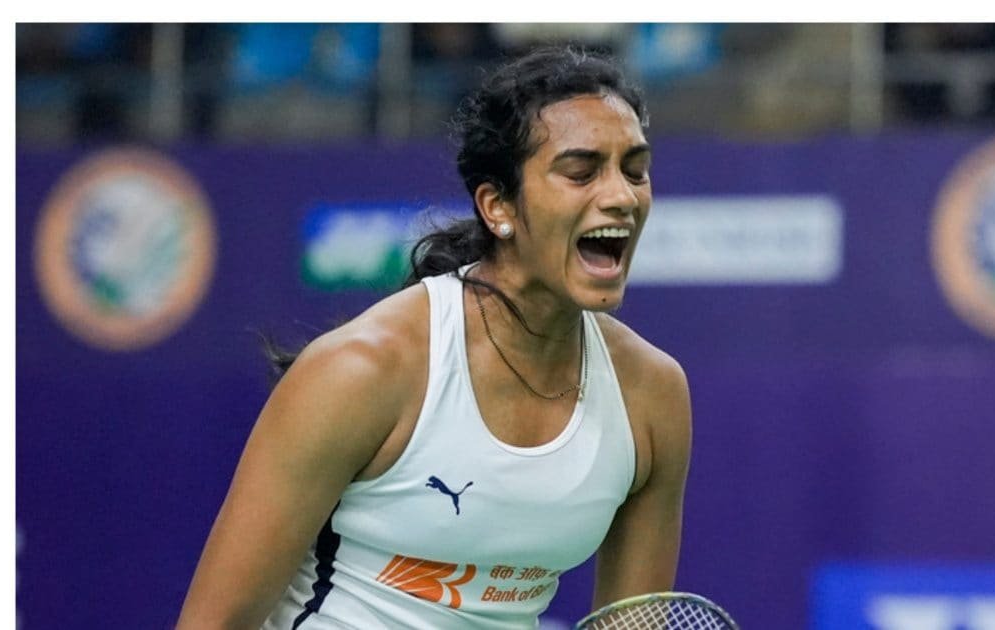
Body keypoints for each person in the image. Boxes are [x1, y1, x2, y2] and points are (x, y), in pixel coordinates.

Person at [176, 45, 692, 630]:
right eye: (581, 172)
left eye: (635, 170)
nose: (622, 196)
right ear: (498, 206)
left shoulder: (650, 397)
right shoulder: (364, 370)